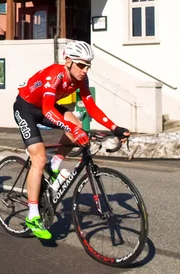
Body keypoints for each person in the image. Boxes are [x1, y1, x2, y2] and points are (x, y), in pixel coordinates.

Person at [13, 41, 129, 240]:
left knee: (77, 125)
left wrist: (114, 127)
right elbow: (49, 109)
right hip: (26, 108)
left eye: (88, 66)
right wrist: (74, 129)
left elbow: (91, 108)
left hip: (45, 108)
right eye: (81, 65)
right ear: (68, 62)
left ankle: (55, 165)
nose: (85, 70)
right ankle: (33, 216)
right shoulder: (54, 74)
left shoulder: (81, 79)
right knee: (39, 159)